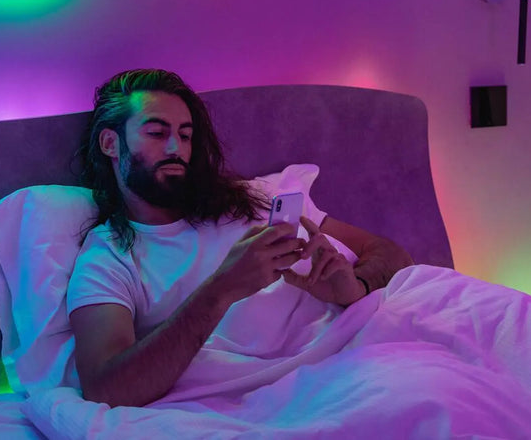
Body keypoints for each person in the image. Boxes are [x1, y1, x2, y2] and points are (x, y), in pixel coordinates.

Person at [68, 69, 413, 408]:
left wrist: (356, 288)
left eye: (185, 136)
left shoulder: (259, 198)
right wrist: (223, 289)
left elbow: (391, 254)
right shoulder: (108, 258)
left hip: (359, 355)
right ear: (110, 143)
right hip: (274, 400)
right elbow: (106, 390)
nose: (176, 148)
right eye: (157, 133)